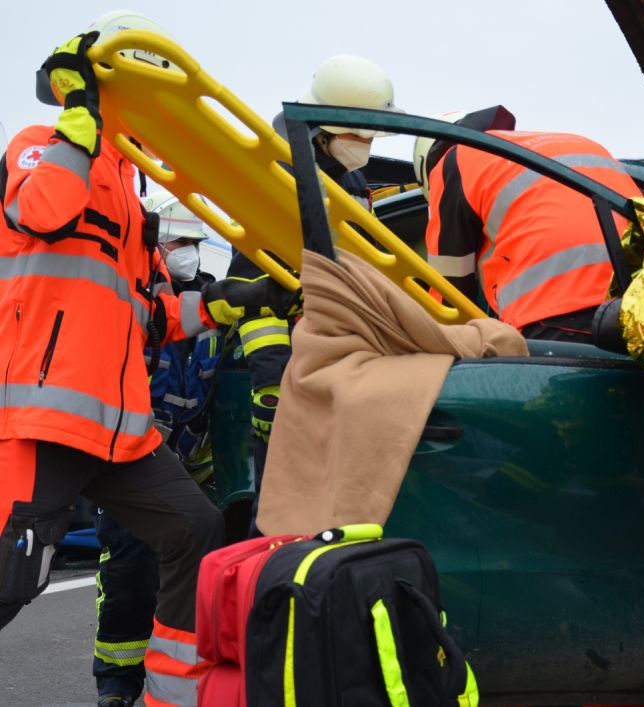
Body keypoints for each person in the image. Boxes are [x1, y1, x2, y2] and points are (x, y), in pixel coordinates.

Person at [0, 11, 300, 707]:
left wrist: (222, 304)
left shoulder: (135, 209)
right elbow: (43, 212)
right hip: (44, 415)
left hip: (121, 429)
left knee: (192, 528)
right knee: (12, 581)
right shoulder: (40, 145)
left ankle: (167, 695)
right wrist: (80, 114)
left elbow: (151, 316)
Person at [237, 54, 402, 535]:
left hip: (339, 359)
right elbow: (252, 289)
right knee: (282, 509)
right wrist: (271, 382)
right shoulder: (278, 176)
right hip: (294, 367)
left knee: (332, 505)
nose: (367, 145)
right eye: (360, 134)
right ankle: (265, 599)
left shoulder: (349, 179)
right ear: (324, 130)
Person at [92, 192, 222, 707]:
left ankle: (183, 683)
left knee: (200, 565)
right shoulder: (130, 294)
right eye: (176, 242)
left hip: (198, 464)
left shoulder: (215, 301)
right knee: (128, 568)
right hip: (131, 454)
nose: (185, 251)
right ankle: (117, 686)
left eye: (193, 242)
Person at [411, 106, 642, 342]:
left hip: (552, 314)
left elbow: (449, 288)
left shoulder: (455, 160)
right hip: (643, 311)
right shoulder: (580, 146)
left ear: (428, 166)